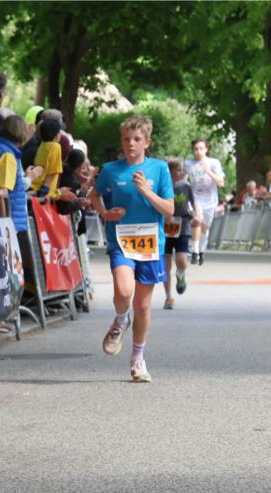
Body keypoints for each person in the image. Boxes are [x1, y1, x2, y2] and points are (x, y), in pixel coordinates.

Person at [91, 115, 174, 383]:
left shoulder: (159, 168)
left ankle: (138, 359)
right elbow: (94, 194)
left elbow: (169, 209)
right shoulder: (110, 170)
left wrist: (146, 191)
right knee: (124, 292)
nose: (130, 144)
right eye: (126, 139)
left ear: (146, 142)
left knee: (143, 305)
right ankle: (120, 319)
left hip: (151, 243)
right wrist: (106, 213)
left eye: (137, 139)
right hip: (121, 240)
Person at [162, 158, 198, 310]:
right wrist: (165, 215)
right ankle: (168, 297)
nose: (181, 172)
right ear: (170, 171)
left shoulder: (185, 186)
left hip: (182, 224)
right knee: (166, 264)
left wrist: (196, 215)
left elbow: (194, 203)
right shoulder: (162, 186)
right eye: (178, 170)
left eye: (181, 170)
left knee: (181, 261)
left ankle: (180, 274)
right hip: (166, 226)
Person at [183, 138, 224, 265]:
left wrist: (208, 171)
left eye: (201, 148)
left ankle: (201, 250)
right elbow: (184, 180)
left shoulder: (214, 163)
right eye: (195, 149)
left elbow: (221, 183)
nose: (198, 151)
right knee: (196, 220)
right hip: (195, 198)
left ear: (206, 149)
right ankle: (195, 251)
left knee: (205, 228)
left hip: (210, 200)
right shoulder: (188, 163)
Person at [30, 119, 64, 200]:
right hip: (45, 190)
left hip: (35, 184)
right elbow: (53, 171)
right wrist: (45, 189)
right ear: (56, 134)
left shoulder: (42, 145)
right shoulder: (56, 147)